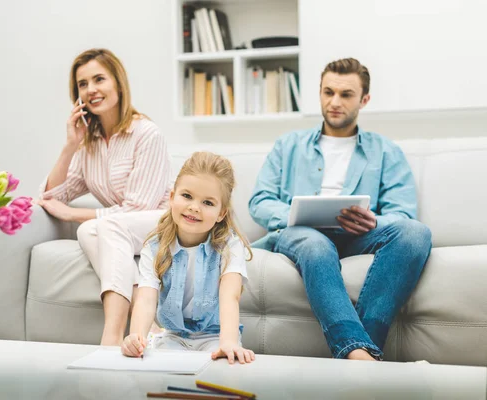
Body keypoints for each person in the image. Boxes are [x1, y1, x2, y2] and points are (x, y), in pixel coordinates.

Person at [248, 58, 432, 361]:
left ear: (364, 99)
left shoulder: (386, 151)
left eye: (346, 95)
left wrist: (373, 221)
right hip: (300, 234)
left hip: (357, 237)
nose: (334, 102)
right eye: (328, 92)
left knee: (416, 233)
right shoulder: (288, 145)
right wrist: (294, 215)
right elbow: (260, 201)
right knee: (314, 242)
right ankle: (359, 354)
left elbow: (403, 213)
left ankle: (360, 348)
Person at [38, 48, 172, 346]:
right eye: (82, 84)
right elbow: (51, 195)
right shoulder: (89, 144)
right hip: (121, 229)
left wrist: (73, 214)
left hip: (161, 223)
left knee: (93, 225)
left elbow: (139, 207)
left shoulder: (147, 133)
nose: (91, 90)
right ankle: (148, 322)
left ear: (118, 83)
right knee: (90, 229)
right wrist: (70, 145)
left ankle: (111, 336)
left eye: (99, 79)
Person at [121, 152, 256, 364]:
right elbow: (146, 299)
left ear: (221, 213)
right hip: (173, 336)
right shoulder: (154, 246)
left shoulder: (230, 246)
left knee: (219, 371)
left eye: (208, 203)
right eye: (187, 196)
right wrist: (136, 336)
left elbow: (230, 297)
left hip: (215, 336)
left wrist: (228, 342)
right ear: (172, 197)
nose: (194, 207)